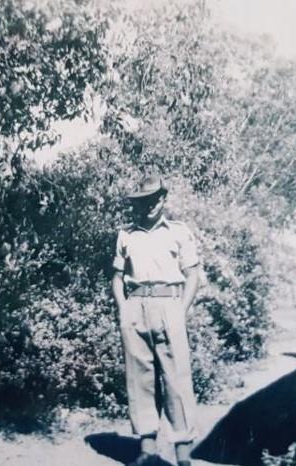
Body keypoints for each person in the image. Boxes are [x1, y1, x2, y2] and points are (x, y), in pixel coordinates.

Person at [111, 173, 201, 466]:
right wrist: (124, 308)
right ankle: (147, 451)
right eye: (143, 200)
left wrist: (181, 310)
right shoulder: (126, 234)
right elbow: (117, 277)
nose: (150, 205)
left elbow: (193, 276)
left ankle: (183, 456)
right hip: (136, 306)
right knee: (140, 379)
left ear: (163, 199)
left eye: (155, 199)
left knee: (177, 380)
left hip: (169, 305)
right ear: (137, 203)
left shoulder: (178, 231)